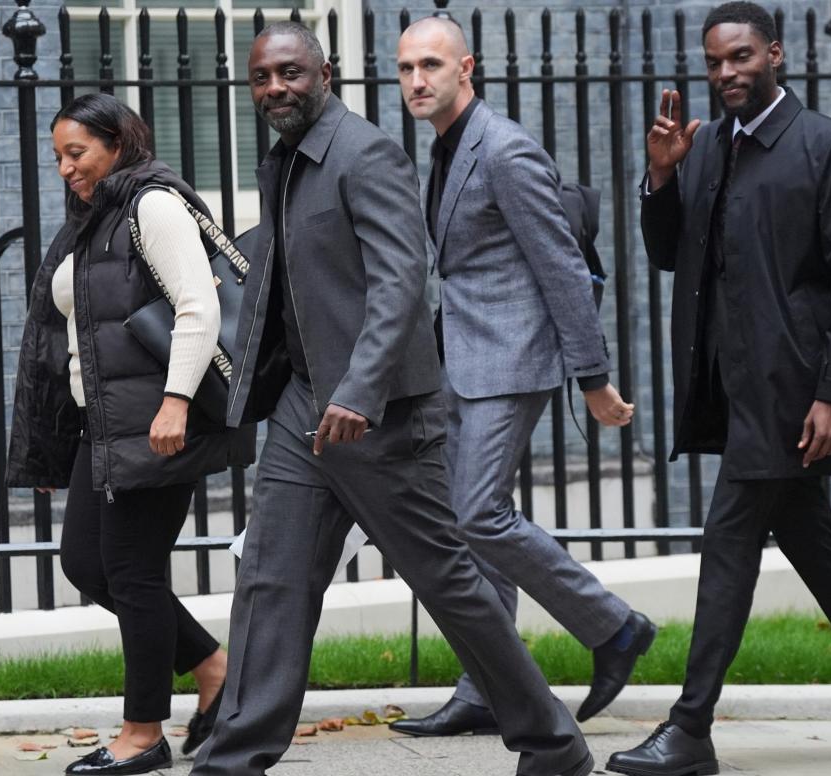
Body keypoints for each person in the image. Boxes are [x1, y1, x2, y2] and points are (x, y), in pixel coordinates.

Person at [189, 21, 593, 776]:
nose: (275, 88)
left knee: (449, 583)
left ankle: (552, 743)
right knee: (271, 577)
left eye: (290, 73)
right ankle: (234, 756)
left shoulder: (364, 152)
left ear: (325, 73)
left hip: (379, 418)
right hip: (304, 410)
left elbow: (401, 282)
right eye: (261, 78)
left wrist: (362, 391)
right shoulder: (283, 161)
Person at [605, 4, 831, 775]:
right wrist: (660, 178)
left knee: (727, 542)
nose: (726, 73)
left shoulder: (825, 144)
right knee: (811, 542)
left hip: (790, 392)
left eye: (740, 57)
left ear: (775, 54)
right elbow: (670, 255)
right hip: (728, 389)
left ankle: (689, 727)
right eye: (713, 62)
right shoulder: (700, 150)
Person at [390, 16, 656, 739]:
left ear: (465, 68)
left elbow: (562, 268)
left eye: (431, 66)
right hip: (467, 357)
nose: (417, 80)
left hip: (511, 359)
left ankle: (613, 627)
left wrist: (592, 376)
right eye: (407, 67)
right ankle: (486, 686)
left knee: (478, 514)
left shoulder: (503, 150)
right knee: (470, 526)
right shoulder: (448, 148)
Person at [6, 93, 255, 775]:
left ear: (118, 144)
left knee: (133, 573)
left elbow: (198, 307)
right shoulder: (96, 220)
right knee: (86, 563)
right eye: (57, 155)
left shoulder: (151, 205)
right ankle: (211, 666)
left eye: (76, 153)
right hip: (106, 425)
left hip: (154, 421)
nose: (64, 168)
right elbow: (75, 336)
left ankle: (143, 734)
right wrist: (54, 440)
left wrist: (175, 401)